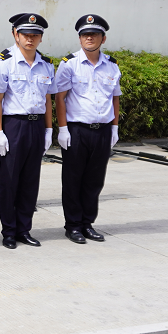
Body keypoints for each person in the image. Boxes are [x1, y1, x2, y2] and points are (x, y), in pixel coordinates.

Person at [0, 13, 56, 249]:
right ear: (15, 35)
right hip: (13, 125)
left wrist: (49, 129)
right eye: (25, 35)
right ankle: (8, 231)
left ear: (41, 38)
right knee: (9, 180)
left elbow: (48, 100)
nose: (30, 39)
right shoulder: (4, 64)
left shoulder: (46, 65)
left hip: (36, 125)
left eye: (35, 35)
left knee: (30, 180)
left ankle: (24, 229)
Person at [54, 14, 120, 244]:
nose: (89, 38)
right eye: (85, 34)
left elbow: (115, 97)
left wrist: (115, 127)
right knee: (73, 179)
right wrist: (62, 129)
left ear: (103, 38)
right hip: (77, 130)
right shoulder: (69, 64)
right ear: (80, 38)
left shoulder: (112, 65)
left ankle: (87, 223)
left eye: (94, 34)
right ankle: (72, 225)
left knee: (95, 180)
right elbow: (59, 99)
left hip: (102, 130)